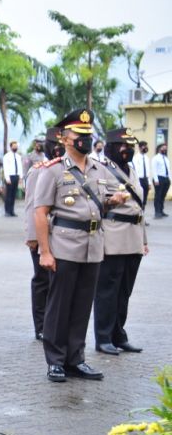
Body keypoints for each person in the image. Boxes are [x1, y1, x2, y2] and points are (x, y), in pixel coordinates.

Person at [34, 109, 127, 383]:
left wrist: (114, 200)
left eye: (88, 135)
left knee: (82, 306)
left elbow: (102, 200)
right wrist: (45, 251)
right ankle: (55, 361)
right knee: (59, 306)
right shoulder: (52, 171)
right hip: (64, 245)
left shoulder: (100, 169)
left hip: (93, 246)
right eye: (80, 135)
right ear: (64, 139)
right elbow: (40, 213)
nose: (85, 139)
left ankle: (76, 358)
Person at [93, 127, 147, 355]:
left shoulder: (131, 170)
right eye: (123, 146)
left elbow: (139, 207)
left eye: (130, 147)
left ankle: (119, 334)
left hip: (133, 238)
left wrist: (144, 240)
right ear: (112, 147)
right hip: (113, 237)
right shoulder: (101, 170)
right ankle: (103, 337)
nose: (127, 150)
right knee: (107, 291)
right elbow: (96, 203)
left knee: (124, 291)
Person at [23, 127, 65, 342]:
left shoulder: (69, 169)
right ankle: (41, 326)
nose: (57, 148)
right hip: (43, 236)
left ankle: (55, 324)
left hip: (64, 236)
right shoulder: (38, 170)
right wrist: (34, 239)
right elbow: (31, 206)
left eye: (61, 143)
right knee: (42, 281)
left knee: (59, 283)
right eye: (53, 144)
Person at [2, 140, 23, 217]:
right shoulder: (7, 156)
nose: (15, 147)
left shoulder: (18, 156)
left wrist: (20, 177)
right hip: (10, 176)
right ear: (11, 147)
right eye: (14, 146)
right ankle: (7, 211)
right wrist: (7, 178)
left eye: (16, 146)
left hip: (16, 176)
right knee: (8, 195)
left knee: (14, 194)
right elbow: (6, 168)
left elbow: (20, 167)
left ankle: (12, 210)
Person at [150, 143, 169, 218]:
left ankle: (161, 210)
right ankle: (157, 212)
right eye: (163, 148)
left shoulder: (166, 158)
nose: (165, 149)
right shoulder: (156, 158)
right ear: (159, 149)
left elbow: (168, 170)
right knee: (158, 196)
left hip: (166, 178)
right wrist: (156, 180)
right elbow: (154, 169)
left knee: (163, 196)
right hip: (158, 178)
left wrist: (169, 179)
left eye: (166, 148)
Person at [132, 141, 150, 206]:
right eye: (144, 146)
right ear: (140, 148)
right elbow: (135, 170)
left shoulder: (146, 158)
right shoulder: (135, 158)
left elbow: (148, 171)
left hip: (145, 180)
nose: (146, 148)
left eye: (146, 146)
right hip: (139, 179)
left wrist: (149, 182)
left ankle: (143, 212)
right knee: (139, 196)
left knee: (145, 198)